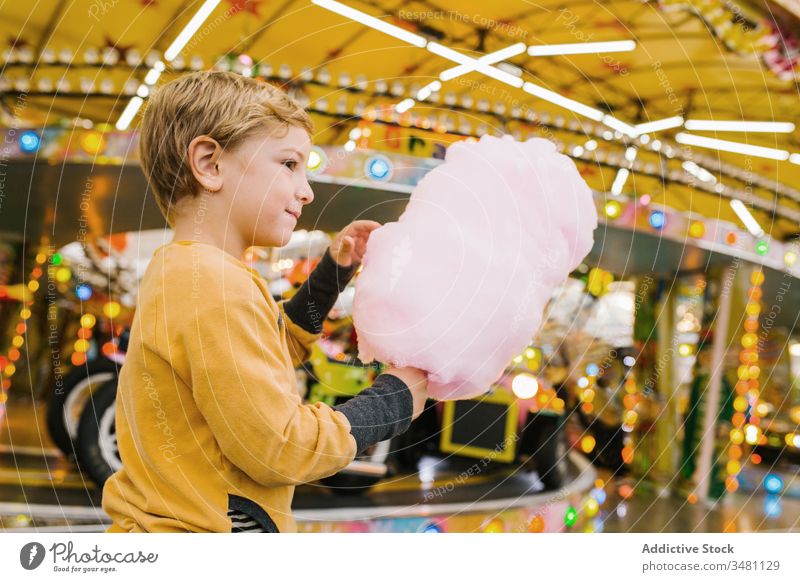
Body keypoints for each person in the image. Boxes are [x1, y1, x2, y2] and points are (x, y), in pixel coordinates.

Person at [102, 71, 428, 533]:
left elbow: (259, 361)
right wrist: (393, 401)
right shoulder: (213, 284)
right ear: (210, 164)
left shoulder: (188, 271)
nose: (307, 190)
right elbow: (279, 446)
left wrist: (330, 276)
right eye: (289, 164)